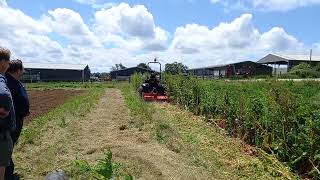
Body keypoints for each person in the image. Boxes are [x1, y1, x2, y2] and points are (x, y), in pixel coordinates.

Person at [5, 59, 29, 180]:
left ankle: (7, 172)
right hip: (10, 122)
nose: (23, 71)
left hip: (16, 120)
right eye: (22, 69)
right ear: (18, 70)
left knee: (9, 146)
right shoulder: (7, 82)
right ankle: (7, 174)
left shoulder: (14, 81)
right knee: (6, 147)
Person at [0, 47, 15, 180]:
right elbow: (3, 94)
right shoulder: (1, 79)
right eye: (8, 60)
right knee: (1, 163)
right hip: (1, 131)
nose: (9, 64)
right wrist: (5, 108)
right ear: (2, 62)